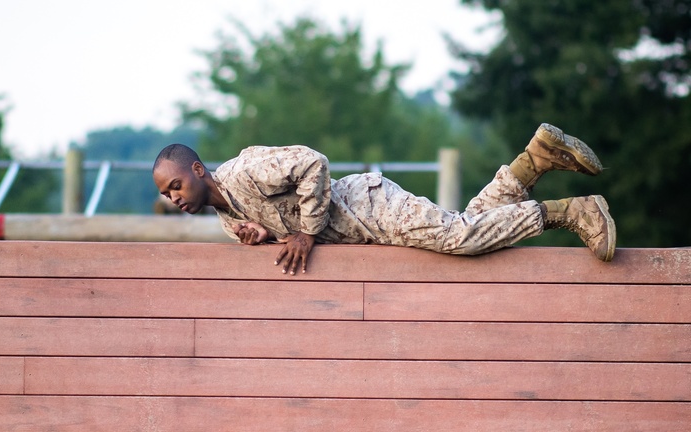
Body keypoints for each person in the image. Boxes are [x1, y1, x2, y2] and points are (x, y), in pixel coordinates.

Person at [152, 124, 616, 275]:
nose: (173, 198)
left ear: (197, 170)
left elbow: (313, 162)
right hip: (361, 227)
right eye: (164, 194)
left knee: (462, 239)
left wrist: (305, 233)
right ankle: (534, 161)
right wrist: (262, 236)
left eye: (175, 185)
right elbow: (278, 231)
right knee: (469, 223)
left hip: (369, 206)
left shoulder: (245, 170)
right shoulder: (227, 219)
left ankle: (570, 212)